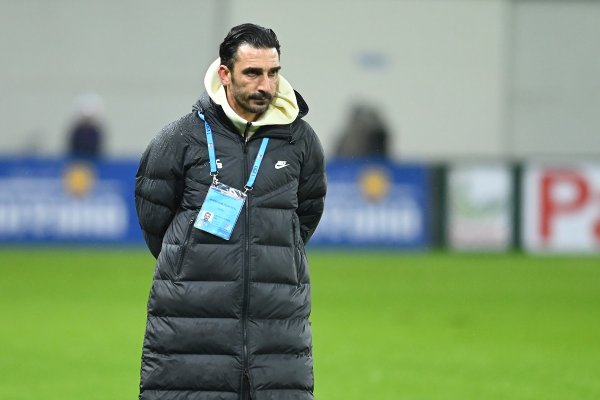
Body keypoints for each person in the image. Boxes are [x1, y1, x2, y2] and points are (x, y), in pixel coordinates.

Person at [134, 23, 327, 400]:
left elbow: (306, 214)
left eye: (273, 73)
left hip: (275, 326)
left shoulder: (300, 140)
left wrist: (272, 258)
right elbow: (154, 217)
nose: (266, 85)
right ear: (225, 74)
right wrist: (193, 260)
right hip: (189, 323)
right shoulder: (181, 137)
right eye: (253, 73)